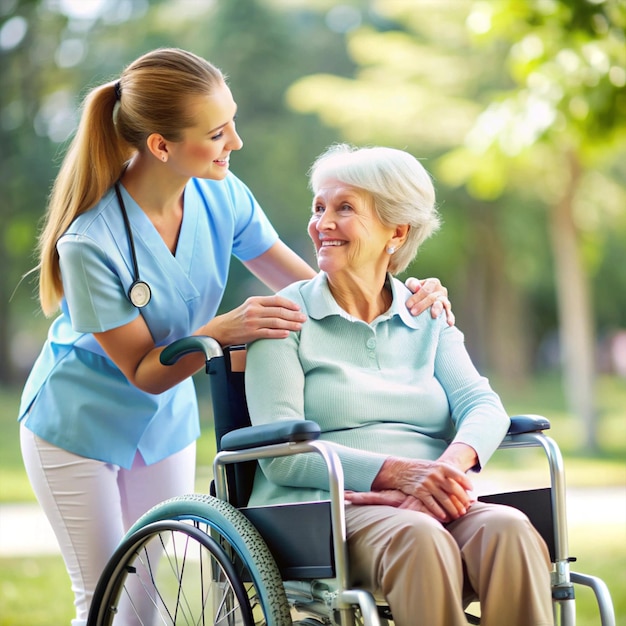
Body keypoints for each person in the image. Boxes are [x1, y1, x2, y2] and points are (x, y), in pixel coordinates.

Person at [17, 49, 452, 626]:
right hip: (76, 424)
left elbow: (319, 287)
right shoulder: (89, 242)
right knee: (107, 598)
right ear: (161, 146)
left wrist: (405, 292)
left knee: (150, 595)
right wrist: (220, 331)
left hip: (163, 422)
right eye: (218, 132)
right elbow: (143, 372)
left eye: (233, 122)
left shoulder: (221, 194)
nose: (236, 142)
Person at [245, 144, 554, 626]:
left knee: (510, 529)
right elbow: (284, 456)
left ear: (398, 231)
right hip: (327, 512)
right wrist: (400, 474)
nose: (322, 223)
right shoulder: (284, 318)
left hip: (432, 499)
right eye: (319, 207)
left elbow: (483, 405)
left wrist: (443, 473)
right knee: (418, 537)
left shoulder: (426, 312)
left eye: (344, 208)